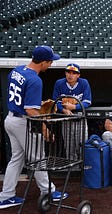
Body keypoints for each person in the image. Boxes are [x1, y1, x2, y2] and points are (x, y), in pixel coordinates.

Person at [0, 46, 68, 209]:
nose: (50, 64)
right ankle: (48, 191)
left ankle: (6, 196)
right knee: (38, 157)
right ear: (43, 62)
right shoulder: (35, 80)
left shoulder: (16, 70)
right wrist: (44, 126)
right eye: (50, 62)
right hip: (23, 122)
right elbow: (30, 109)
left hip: (10, 119)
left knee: (16, 158)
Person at [52, 63, 92, 160]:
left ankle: (83, 170)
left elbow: (88, 102)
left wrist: (73, 106)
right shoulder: (59, 83)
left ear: (78, 75)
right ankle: (73, 171)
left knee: (82, 146)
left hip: (80, 119)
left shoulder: (84, 83)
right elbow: (55, 102)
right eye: (68, 72)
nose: (70, 75)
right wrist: (63, 110)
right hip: (66, 119)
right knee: (69, 148)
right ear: (65, 73)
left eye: (74, 73)